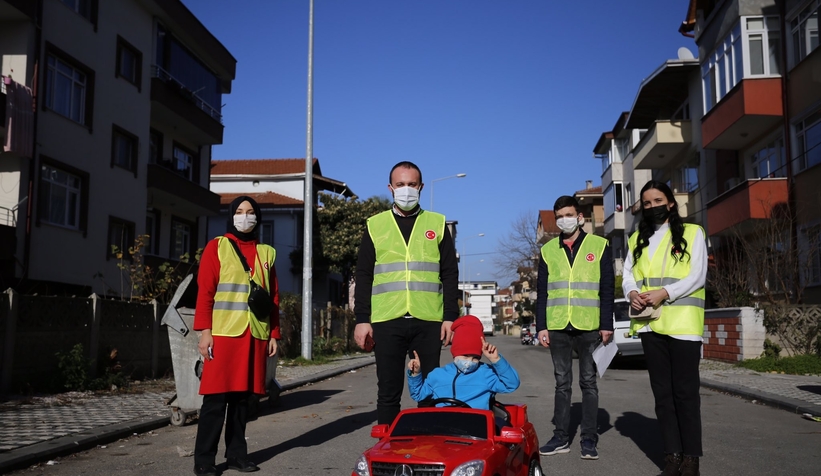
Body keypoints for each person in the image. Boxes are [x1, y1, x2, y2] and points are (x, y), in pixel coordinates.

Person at [353, 161, 460, 425]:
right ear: (390, 188)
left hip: (428, 320)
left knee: (429, 392)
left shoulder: (437, 223)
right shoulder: (375, 225)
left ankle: (428, 451)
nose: (406, 190)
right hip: (387, 319)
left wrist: (450, 317)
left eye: (412, 184)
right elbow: (364, 275)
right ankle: (387, 451)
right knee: (388, 393)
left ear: (421, 187)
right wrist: (362, 319)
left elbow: (449, 274)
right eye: (400, 185)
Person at [622, 180, 707, 476]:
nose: (652, 206)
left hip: (683, 324)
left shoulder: (693, 233)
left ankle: (691, 460)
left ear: (670, 203)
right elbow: (628, 276)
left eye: (657, 200)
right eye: (646, 203)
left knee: (685, 393)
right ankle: (672, 458)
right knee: (663, 394)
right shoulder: (636, 239)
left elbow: (697, 275)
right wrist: (632, 294)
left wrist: (664, 294)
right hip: (649, 323)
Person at [192, 196, 280, 476]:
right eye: (240, 212)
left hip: (255, 335)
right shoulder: (217, 247)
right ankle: (204, 460)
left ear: (258, 217)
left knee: (243, 401)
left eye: (251, 212)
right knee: (215, 401)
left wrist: (274, 333)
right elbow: (205, 291)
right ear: (231, 216)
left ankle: (236, 456)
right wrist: (205, 332)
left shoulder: (267, 253)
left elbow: (273, 297)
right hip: (223, 335)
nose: (245, 216)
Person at [536, 195, 614, 461]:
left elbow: (606, 289)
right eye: (559, 216)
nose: (563, 220)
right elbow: (542, 292)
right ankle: (560, 437)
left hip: (589, 325)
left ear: (580, 217)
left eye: (568, 214)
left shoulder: (600, 245)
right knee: (562, 383)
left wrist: (606, 324)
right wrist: (541, 326)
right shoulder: (548, 250)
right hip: (558, 325)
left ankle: (589, 439)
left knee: (588, 383)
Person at [407, 315, 520, 409]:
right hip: (443, 426)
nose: (469, 362)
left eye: (475, 357)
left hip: (475, 429)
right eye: (465, 356)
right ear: (455, 353)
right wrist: (416, 374)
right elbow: (418, 395)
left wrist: (496, 360)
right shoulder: (437, 375)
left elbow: (511, 384)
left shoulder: (486, 374)